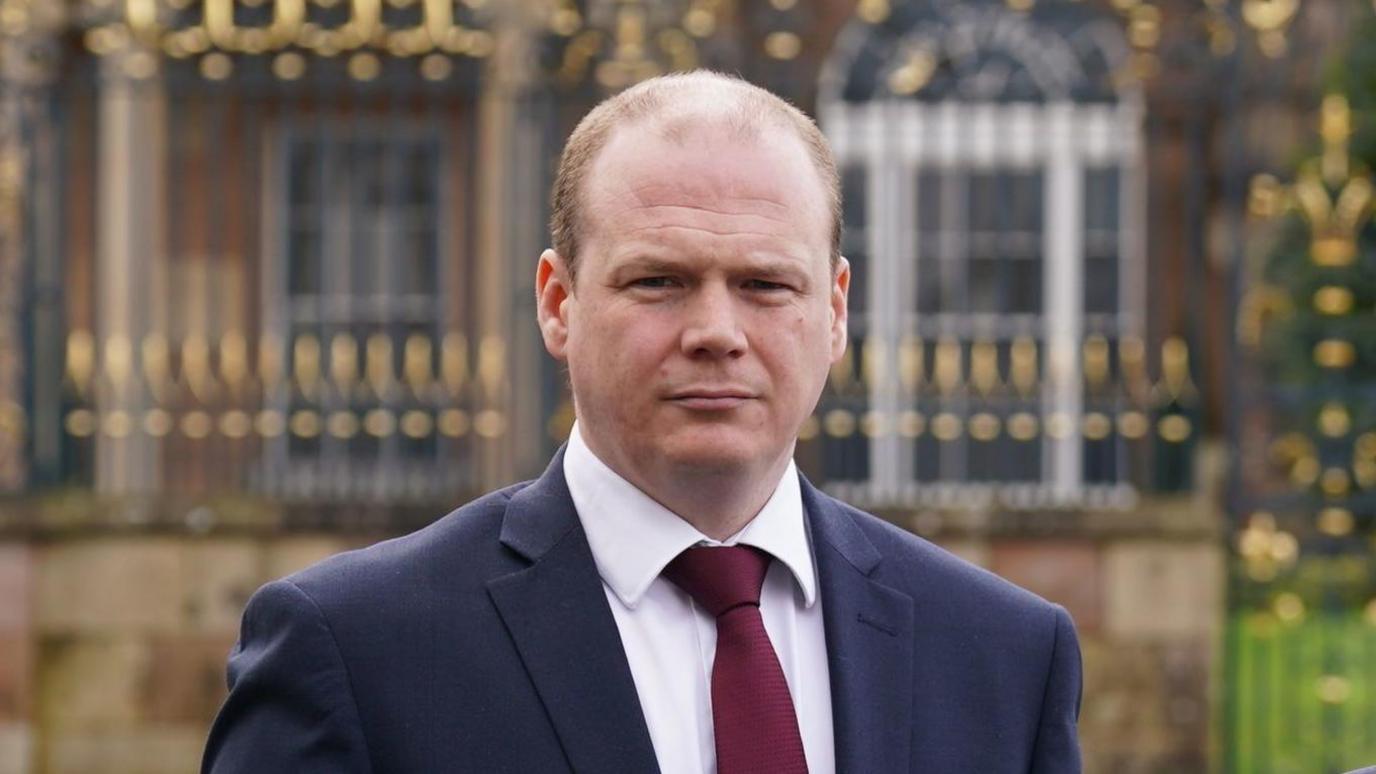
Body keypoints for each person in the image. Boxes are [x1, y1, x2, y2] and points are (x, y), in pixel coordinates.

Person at [202, 70, 1081, 774]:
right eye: (657, 281)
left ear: (837, 308)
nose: (716, 333)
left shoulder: (1004, 654)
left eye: (765, 285)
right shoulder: (358, 649)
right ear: (558, 302)